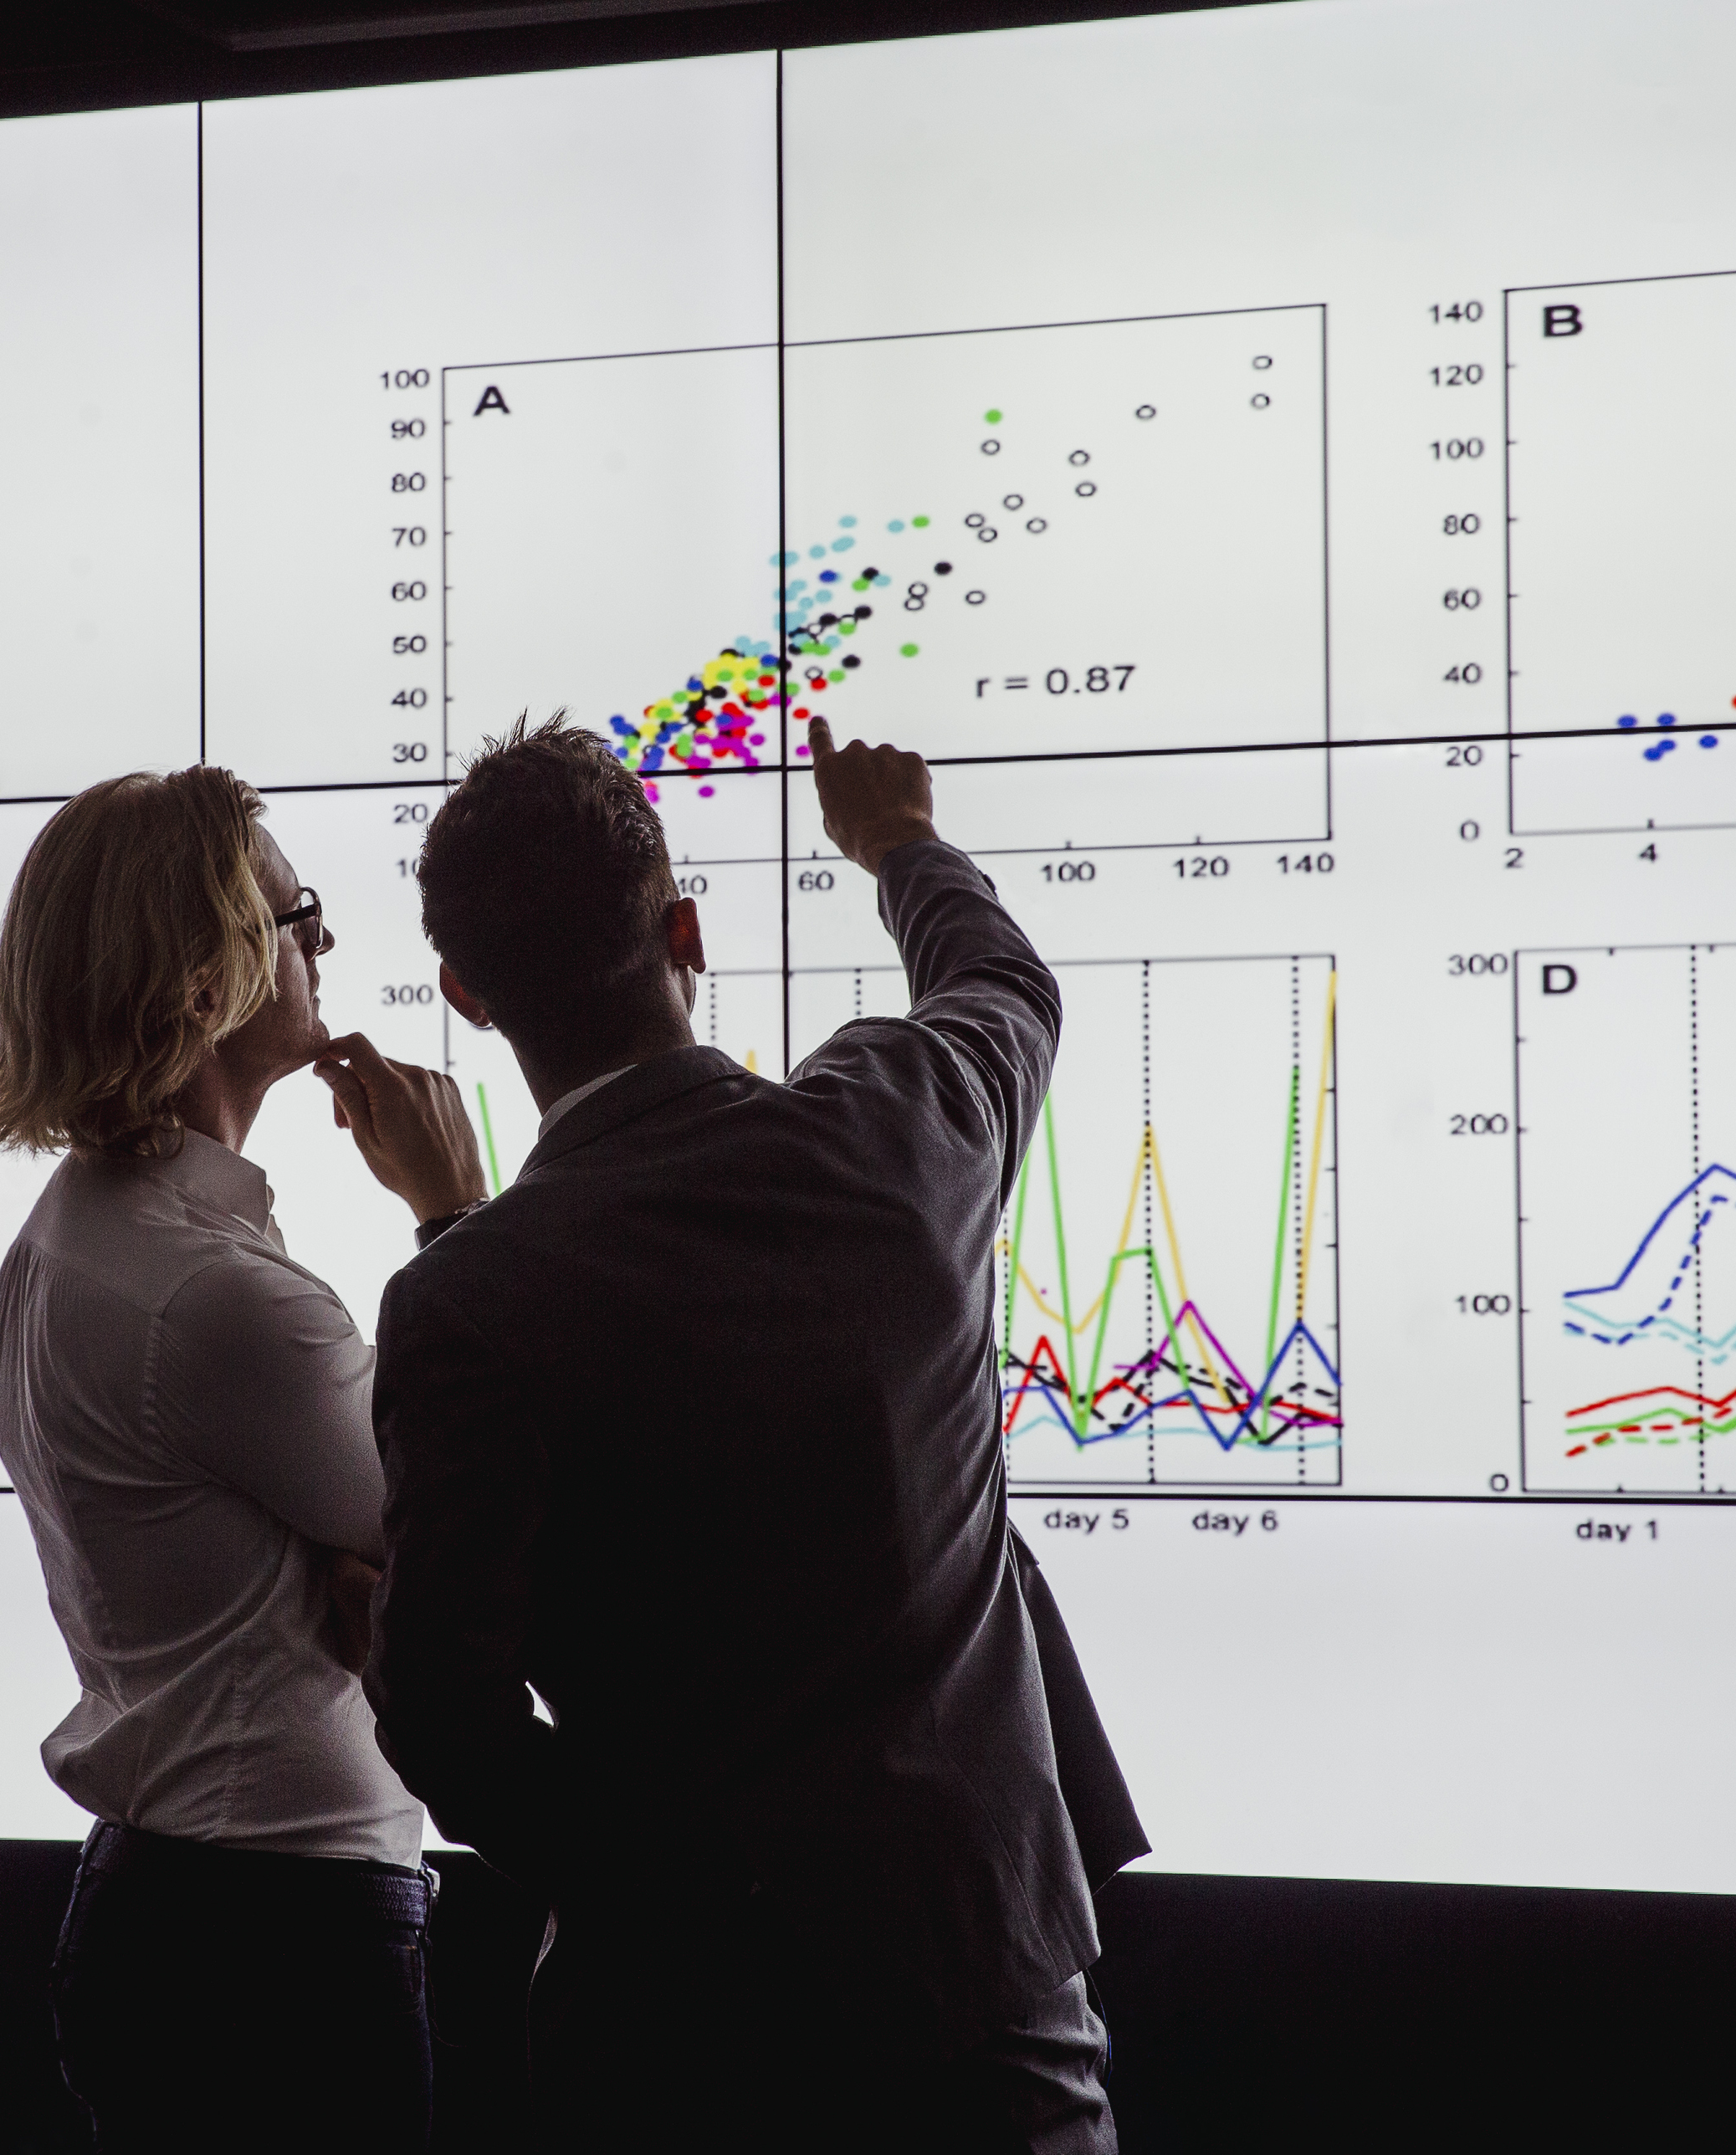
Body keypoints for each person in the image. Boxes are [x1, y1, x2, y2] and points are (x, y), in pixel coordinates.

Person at [365, 715, 1149, 2148]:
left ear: (465, 996)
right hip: (982, 2000)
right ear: (686, 930)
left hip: (680, 2037)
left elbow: (438, 1714)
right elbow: (1003, 984)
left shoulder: (464, 1298)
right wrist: (898, 844)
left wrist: (672, 1891)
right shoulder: (899, 1128)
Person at [0, 765, 487, 2151]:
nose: (320, 942)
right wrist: (458, 1218)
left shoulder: (72, 1241)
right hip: (279, 1941)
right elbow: (483, 1537)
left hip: (180, 1909)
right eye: (291, 916)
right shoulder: (213, 1298)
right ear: (202, 982)